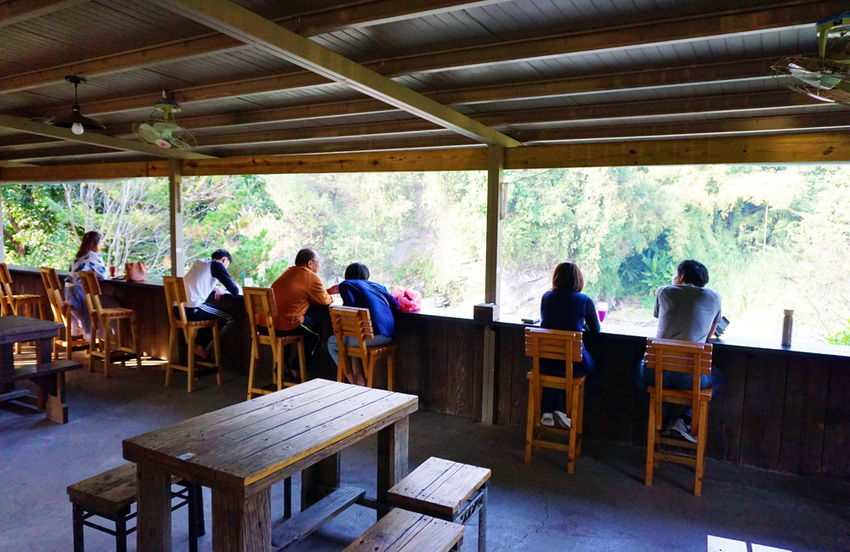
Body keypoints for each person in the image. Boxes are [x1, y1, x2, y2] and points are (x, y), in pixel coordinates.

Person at [636, 259, 724, 443]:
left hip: (654, 372)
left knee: (638, 373)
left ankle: (664, 416)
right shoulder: (714, 297)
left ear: (681, 277)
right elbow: (708, 336)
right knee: (718, 377)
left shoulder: (664, 291)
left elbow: (661, 318)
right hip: (688, 377)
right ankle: (684, 420)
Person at [539, 262, 600, 429]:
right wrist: (582, 325)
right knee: (590, 370)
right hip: (570, 361)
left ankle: (547, 411)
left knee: (557, 365)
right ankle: (565, 410)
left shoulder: (546, 297)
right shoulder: (584, 300)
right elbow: (596, 330)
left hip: (544, 361)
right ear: (578, 280)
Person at [328, 262, 399, 386]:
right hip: (388, 336)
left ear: (347, 275)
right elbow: (396, 306)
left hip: (372, 338)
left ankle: (351, 379)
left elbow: (349, 306)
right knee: (353, 337)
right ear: (367, 276)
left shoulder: (346, 284)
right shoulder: (379, 286)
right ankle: (359, 378)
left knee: (332, 343)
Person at [269, 248, 338, 372]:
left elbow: (304, 294)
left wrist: (327, 291)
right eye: (319, 263)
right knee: (316, 331)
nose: (320, 266)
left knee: (291, 321)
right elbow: (325, 301)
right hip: (284, 325)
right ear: (310, 263)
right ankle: (297, 369)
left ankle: (282, 365)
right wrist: (330, 295)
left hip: (266, 325)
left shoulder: (287, 273)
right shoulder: (310, 276)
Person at [182, 249, 241, 359]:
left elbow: (196, 279)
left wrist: (215, 287)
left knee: (214, 313)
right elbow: (234, 290)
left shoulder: (200, 262)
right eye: (227, 265)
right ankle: (199, 346)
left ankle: (197, 345)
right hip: (192, 308)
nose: (225, 268)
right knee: (227, 318)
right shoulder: (217, 265)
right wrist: (237, 286)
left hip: (178, 309)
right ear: (224, 260)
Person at [65, 231, 108, 340]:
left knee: (99, 303)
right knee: (111, 304)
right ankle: (106, 339)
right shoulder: (92, 256)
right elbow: (103, 276)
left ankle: (96, 339)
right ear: (96, 243)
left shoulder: (77, 257)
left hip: (69, 295)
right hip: (80, 296)